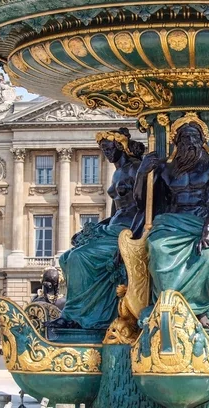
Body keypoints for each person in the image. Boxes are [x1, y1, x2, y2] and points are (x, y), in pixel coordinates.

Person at [134, 113, 209, 327]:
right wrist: (142, 174)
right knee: (157, 248)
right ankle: (165, 306)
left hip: (205, 220)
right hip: (173, 221)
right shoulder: (164, 168)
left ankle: (200, 309)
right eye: (184, 138)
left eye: (194, 137)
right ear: (176, 142)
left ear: (202, 140)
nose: (189, 142)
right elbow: (143, 203)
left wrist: (208, 228)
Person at [50, 128, 145, 330]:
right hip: (114, 226)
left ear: (121, 147)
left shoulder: (136, 169)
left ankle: (76, 316)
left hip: (128, 229)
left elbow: (146, 208)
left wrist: (129, 242)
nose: (107, 154)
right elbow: (115, 211)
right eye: (103, 150)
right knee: (66, 257)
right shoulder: (118, 173)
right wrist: (92, 229)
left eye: (110, 149)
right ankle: (80, 311)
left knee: (79, 258)